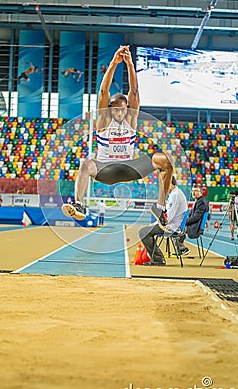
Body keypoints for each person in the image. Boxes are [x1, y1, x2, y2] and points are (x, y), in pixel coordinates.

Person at [62, 45, 174, 225]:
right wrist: (114, 63)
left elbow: (134, 92)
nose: (119, 113)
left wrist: (130, 64)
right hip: (105, 169)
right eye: (115, 110)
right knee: (85, 164)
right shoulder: (104, 121)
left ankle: (160, 208)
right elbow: (103, 92)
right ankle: (79, 204)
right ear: (110, 110)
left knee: (166, 161)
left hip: (129, 167)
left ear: (126, 109)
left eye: (122, 110)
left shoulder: (131, 119)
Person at [138, 177, 189, 266]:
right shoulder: (175, 193)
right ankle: (157, 258)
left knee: (143, 232)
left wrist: (157, 221)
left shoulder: (175, 195)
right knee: (146, 230)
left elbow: (168, 219)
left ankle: (158, 259)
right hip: (173, 225)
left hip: (172, 227)